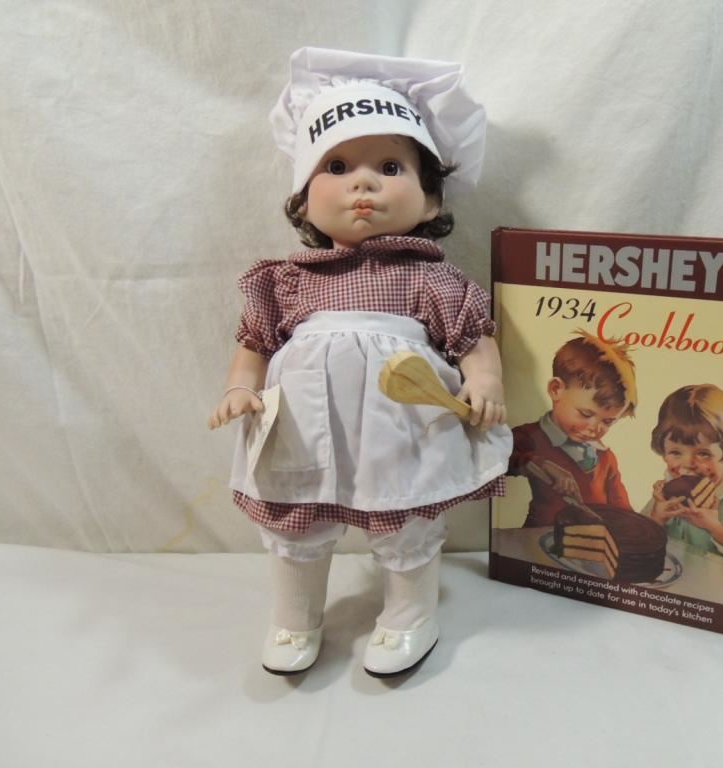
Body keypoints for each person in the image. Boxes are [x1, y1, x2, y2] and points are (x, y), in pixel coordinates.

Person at [207, 47, 511, 676]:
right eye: (338, 166)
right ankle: (294, 618)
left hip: (399, 427)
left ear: (431, 202)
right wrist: (240, 389)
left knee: (403, 514)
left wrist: (484, 381)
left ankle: (409, 615)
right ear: (303, 200)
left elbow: (473, 337)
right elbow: (255, 344)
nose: (363, 184)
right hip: (299, 428)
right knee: (295, 518)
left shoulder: (430, 279)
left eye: (390, 167)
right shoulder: (287, 281)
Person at [508, 331, 637, 528]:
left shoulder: (605, 458)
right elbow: (499, 457)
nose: (594, 429)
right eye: (585, 414)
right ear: (556, 389)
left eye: (608, 422)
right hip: (539, 538)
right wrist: (541, 464)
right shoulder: (530, 436)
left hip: (593, 542)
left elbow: (624, 512)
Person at [641, 384, 723, 567]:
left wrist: (716, 528)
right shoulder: (665, 493)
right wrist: (656, 518)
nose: (689, 464)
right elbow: (638, 538)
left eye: (704, 454)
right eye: (676, 452)